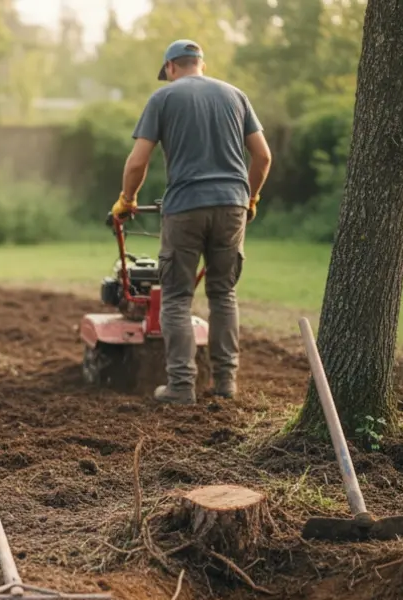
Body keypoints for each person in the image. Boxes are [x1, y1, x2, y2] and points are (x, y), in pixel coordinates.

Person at [111, 39, 272, 404]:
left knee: (177, 297)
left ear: (170, 68)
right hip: (232, 206)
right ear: (201, 63)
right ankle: (226, 383)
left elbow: (137, 162)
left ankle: (181, 387)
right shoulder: (236, 96)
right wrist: (250, 198)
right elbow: (262, 157)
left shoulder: (164, 98)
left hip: (185, 207)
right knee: (223, 293)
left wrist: (128, 199)